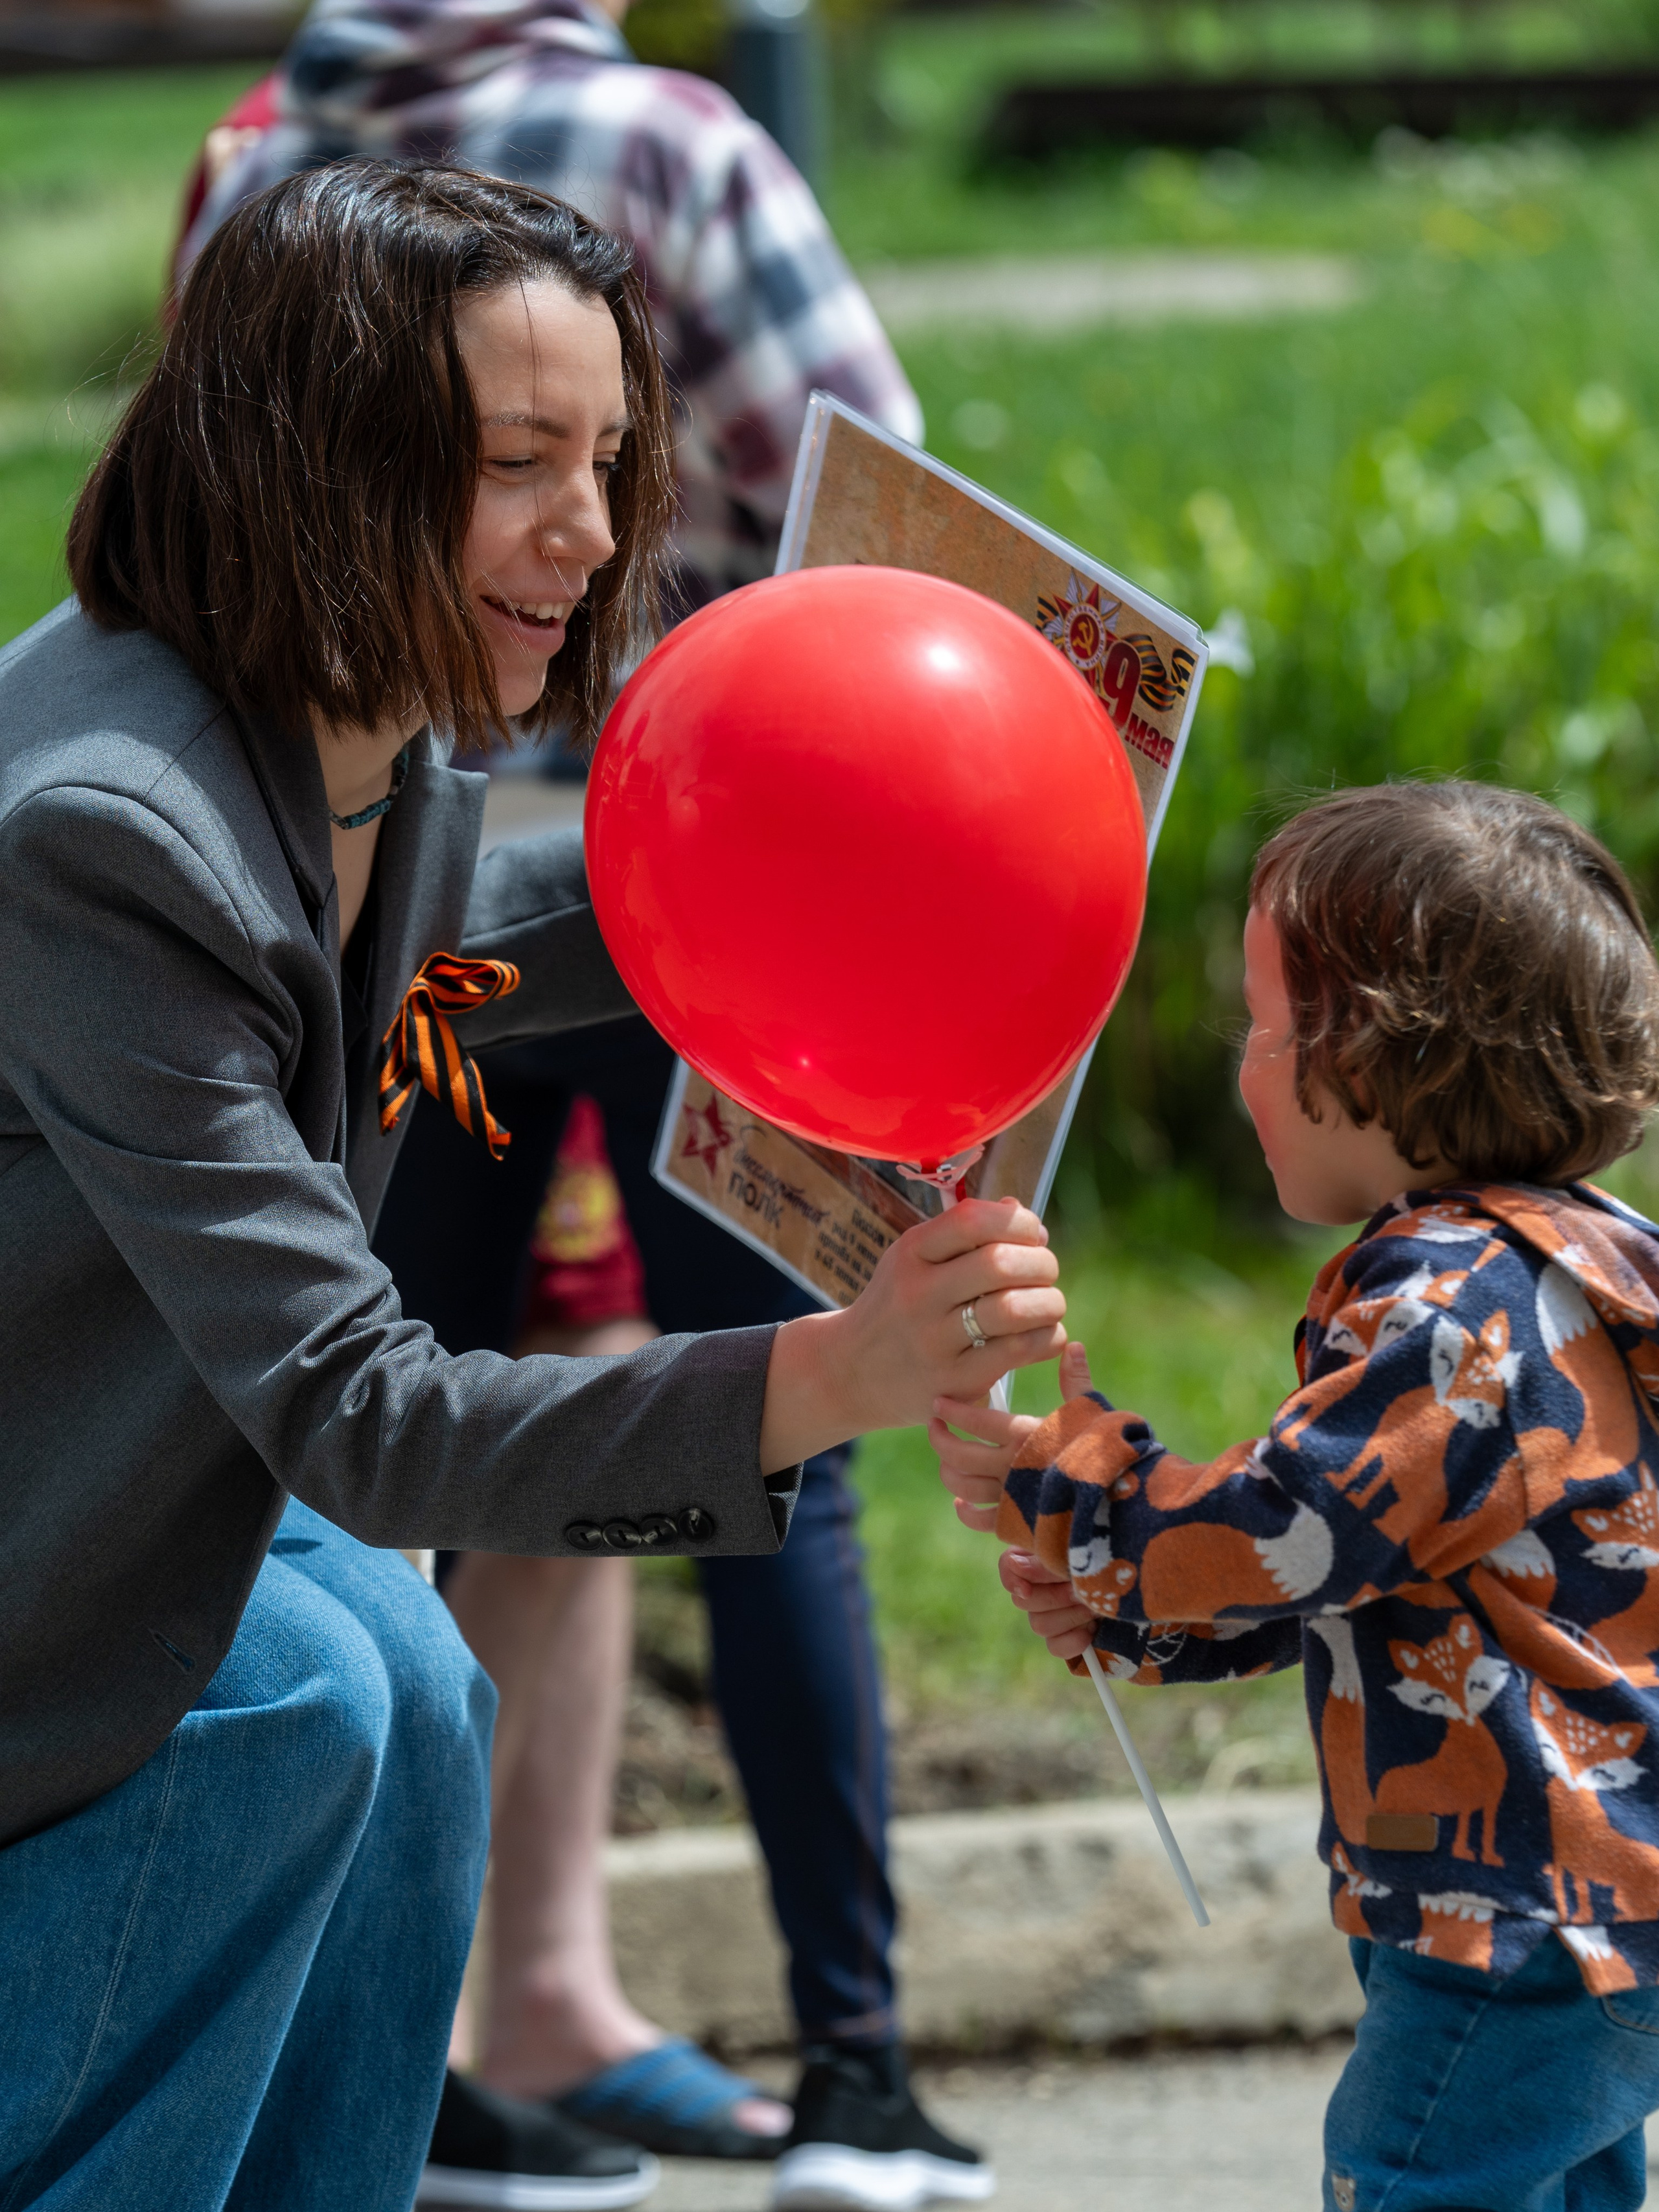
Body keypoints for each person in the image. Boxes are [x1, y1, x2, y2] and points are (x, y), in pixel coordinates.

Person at [0, 157, 1069, 2212]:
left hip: (113, 1500)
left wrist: (819, 840)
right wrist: (835, 1369)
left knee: (405, 1667)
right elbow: (373, 1416)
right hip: (44, 1590)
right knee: (311, 1679)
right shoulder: (104, 834)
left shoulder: (337, 715)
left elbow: (453, 941)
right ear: (318, 463)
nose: (591, 535)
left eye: (606, 460)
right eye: (518, 463)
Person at [938, 780, 1659, 2212]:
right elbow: (1356, 1566)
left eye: (1265, 1030)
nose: (1242, 1070)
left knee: (1402, 2184)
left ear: (1381, 1062)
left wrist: (1062, 1480)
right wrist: (1125, 1607)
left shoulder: (1453, 1308)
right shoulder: (1574, 1265)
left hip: (1519, 1918)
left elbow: (1273, 1534)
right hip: (1586, 1904)